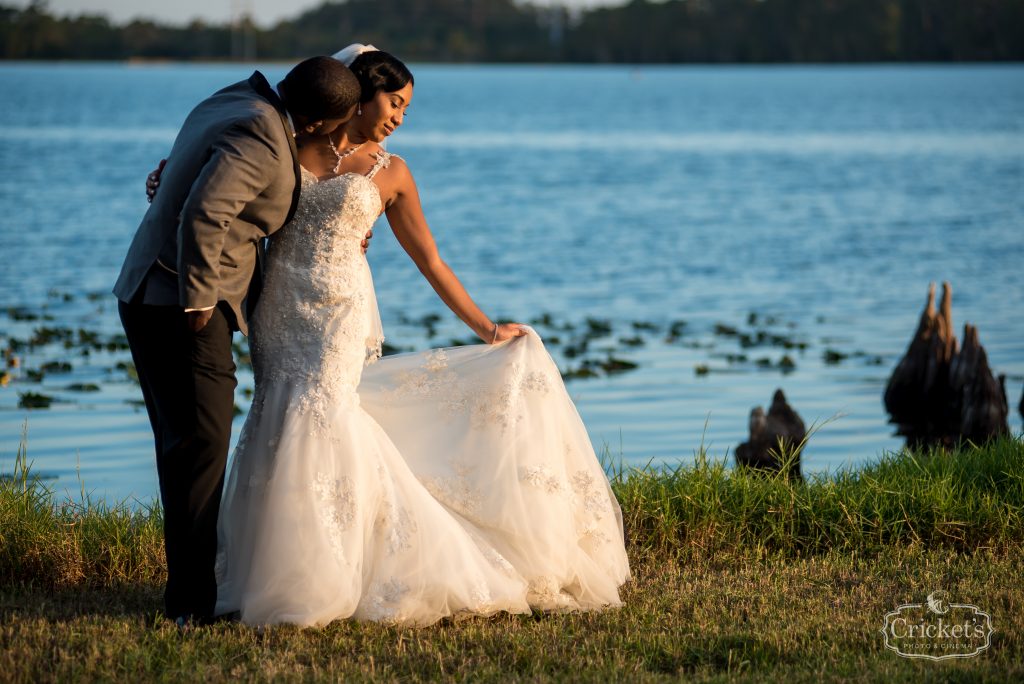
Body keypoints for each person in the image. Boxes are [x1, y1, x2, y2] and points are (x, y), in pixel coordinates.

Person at [150, 46, 630, 627]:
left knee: (321, 413)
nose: (400, 115)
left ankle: (328, 574)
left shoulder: (392, 172)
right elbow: (227, 187)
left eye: (407, 107)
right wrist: (167, 177)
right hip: (277, 307)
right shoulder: (293, 143)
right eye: (395, 102)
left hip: (338, 313)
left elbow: (430, 259)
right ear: (358, 94)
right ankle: (263, 571)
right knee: (276, 417)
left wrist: (486, 326)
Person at [113, 56, 362, 627]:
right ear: (321, 123)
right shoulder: (263, 138)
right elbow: (206, 212)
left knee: (186, 449)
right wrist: (199, 302)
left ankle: (188, 595)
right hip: (181, 303)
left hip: (147, 290)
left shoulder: (235, 100)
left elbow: (188, 173)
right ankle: (193, 606)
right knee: (201, 448)